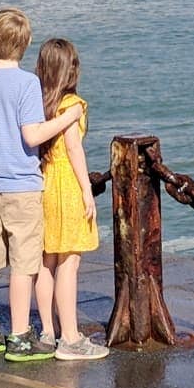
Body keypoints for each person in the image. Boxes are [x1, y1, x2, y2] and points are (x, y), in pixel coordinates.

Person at [0, 8, 82, 361]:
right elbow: (32, 135)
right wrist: (66, 119)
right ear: (27, 44)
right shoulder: (27, 83)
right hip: (22, 186)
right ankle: (19, 335)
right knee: (23, 264)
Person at [34, 37, 109, 360]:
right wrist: (85, 189)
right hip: (65, 184)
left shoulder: (37, 102)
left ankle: (47, 332)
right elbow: (74, 149)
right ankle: (71, 337)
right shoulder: (72, 105)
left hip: (42, 183)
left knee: (45, 261)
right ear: (72, 70)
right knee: (69, 261)